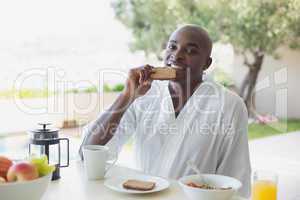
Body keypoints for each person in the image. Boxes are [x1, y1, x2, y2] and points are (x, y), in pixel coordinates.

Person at [79, 24, 251, 197]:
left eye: (190, 51)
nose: (176, 56)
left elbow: (235, 179)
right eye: (172, 47)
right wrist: (127, 96)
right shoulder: (144, 95)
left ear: (207, 63)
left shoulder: (229, 105)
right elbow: (88, 151)